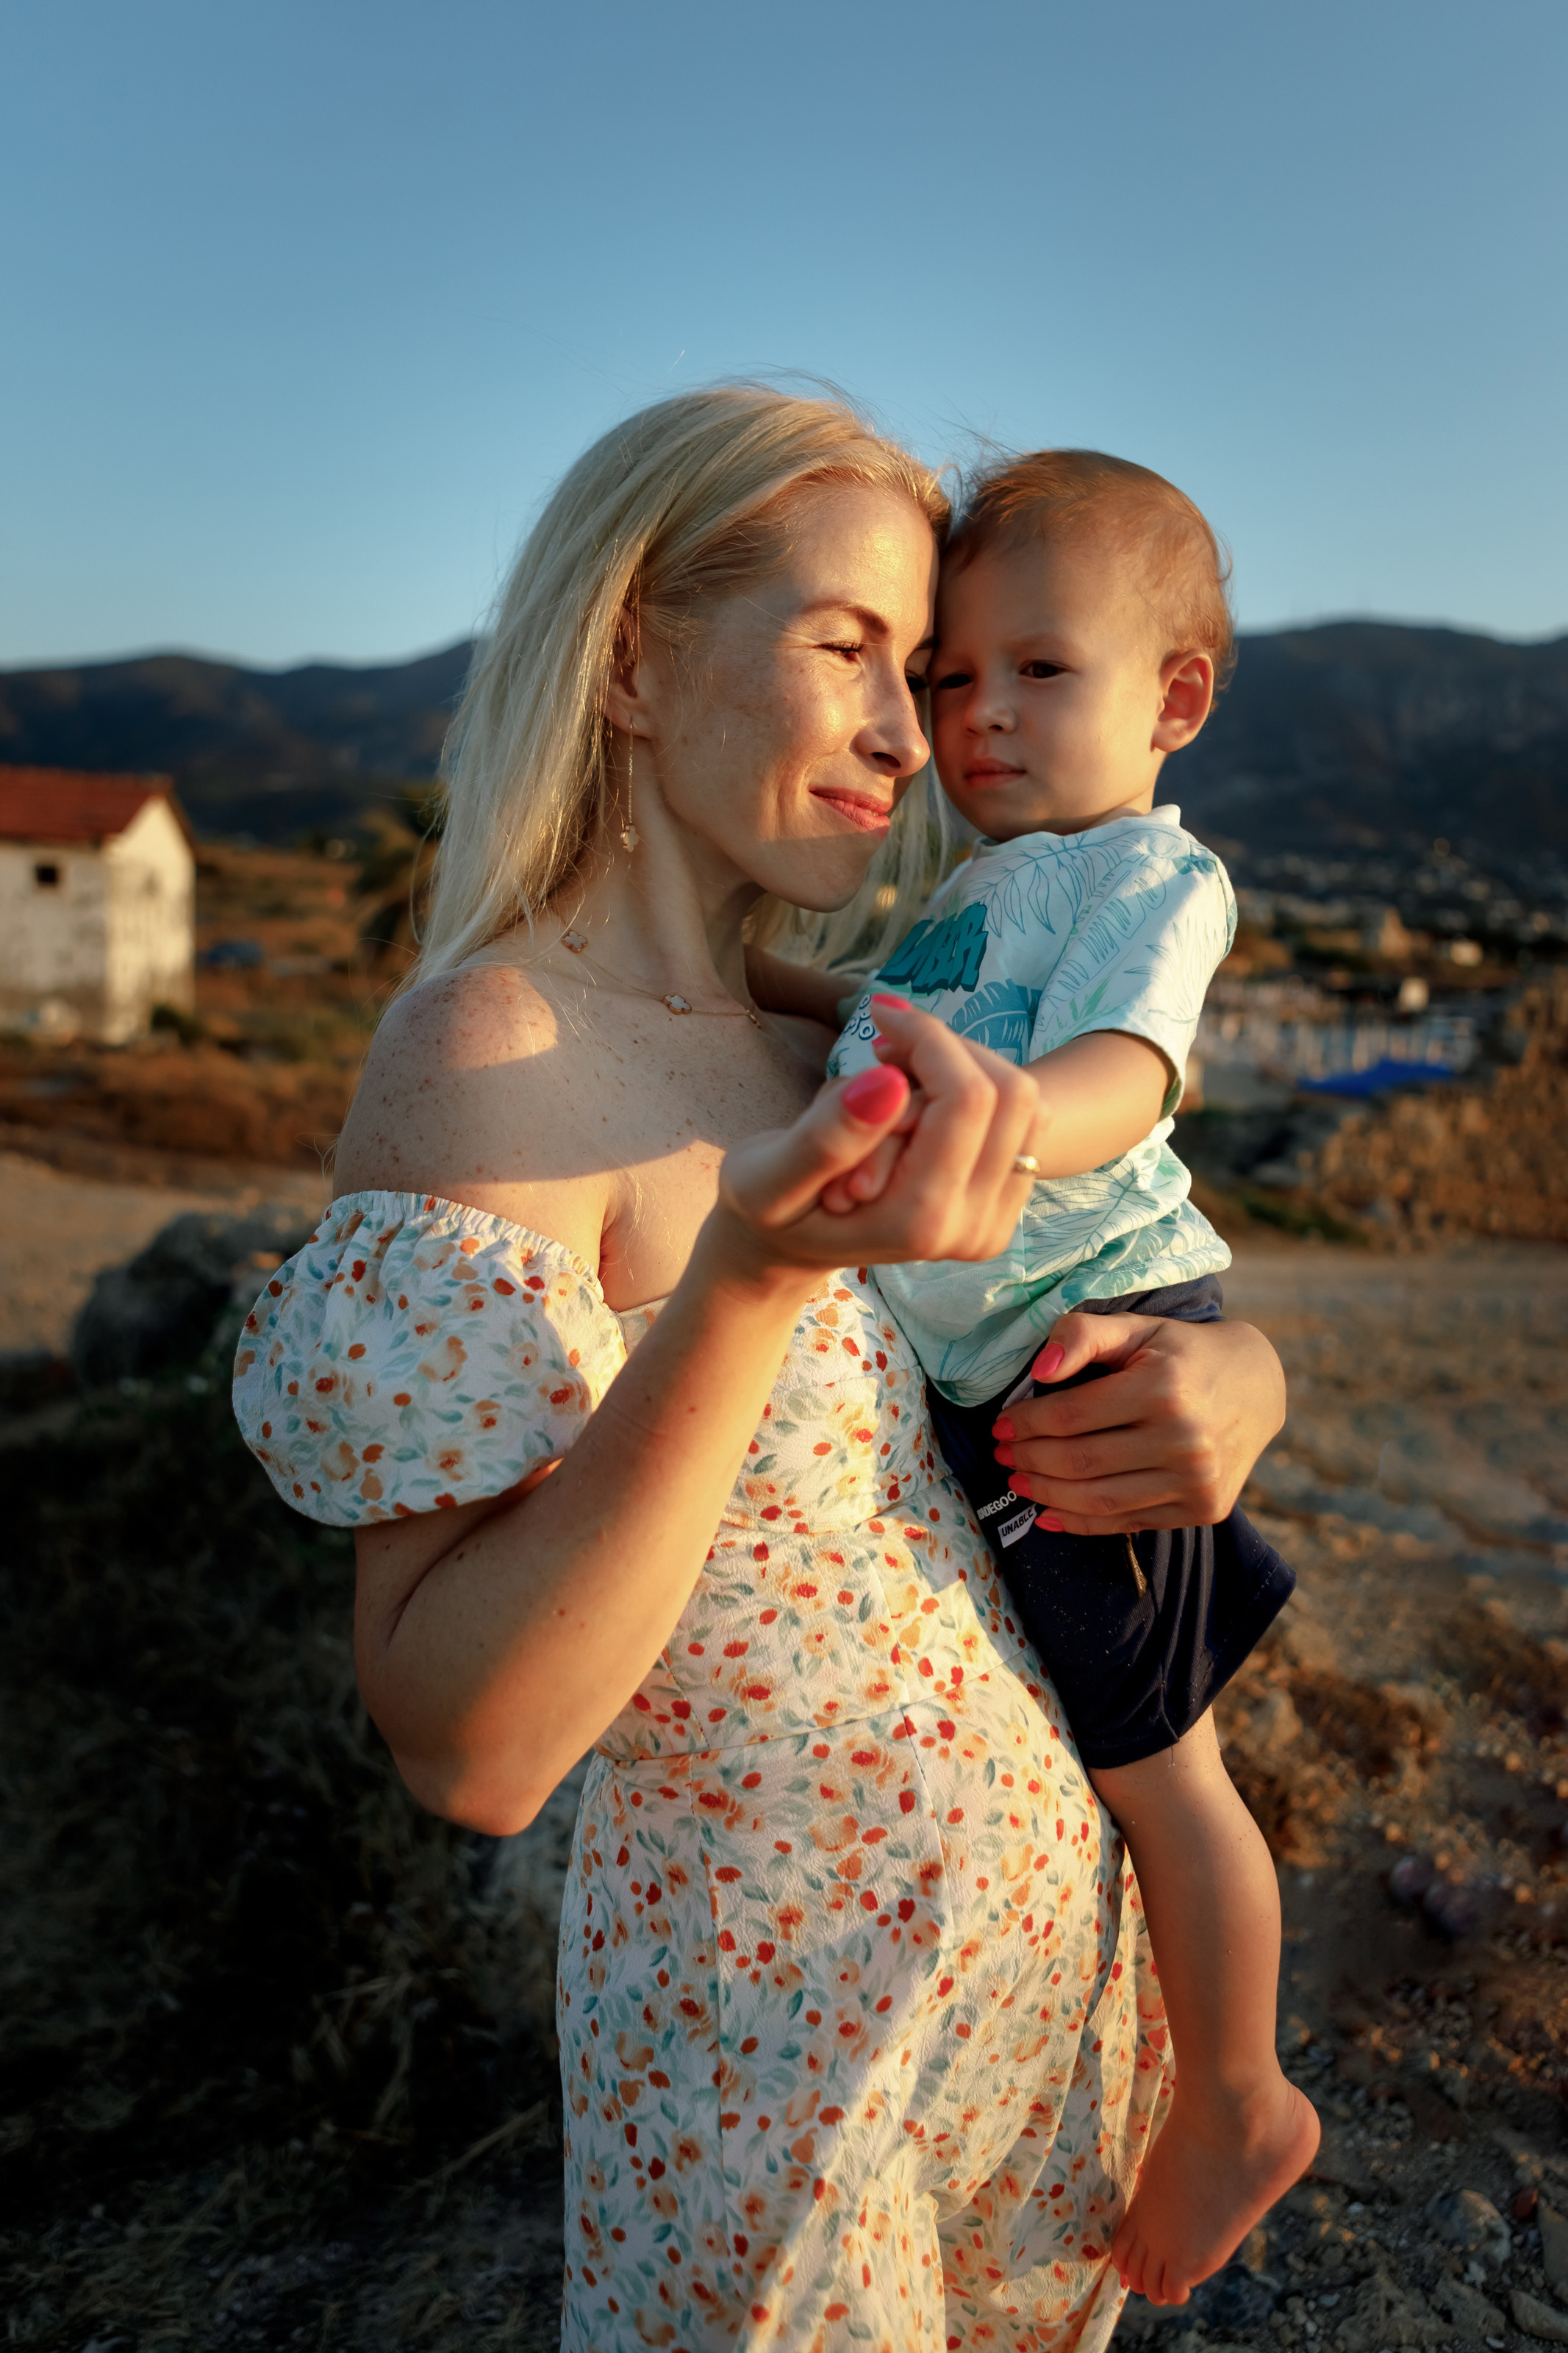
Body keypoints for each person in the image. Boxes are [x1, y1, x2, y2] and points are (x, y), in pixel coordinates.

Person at [232, 388, 1290, 2349]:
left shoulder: (812, 1034)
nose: (914, 732)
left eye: (934, 668)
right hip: (768, 2073)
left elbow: (1077, 1245)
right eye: (851, 652)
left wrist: (1230, 1393)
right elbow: (469, 1747)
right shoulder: (491, 1063)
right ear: (631, 660)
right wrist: (735, 1288)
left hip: (1024, 2018)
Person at [813, 449, 1319, 2304]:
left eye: (1037, 671)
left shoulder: (1141, 872)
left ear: (1171, 699)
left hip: (1101, 1341)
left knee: (1158, 1770)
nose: (975, 716)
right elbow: (863, 1034)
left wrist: (1011, 1117)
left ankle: (1240, 2095)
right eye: (949, 681)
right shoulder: (964, 894)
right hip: (1001, 1361)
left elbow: (1132, 1069)